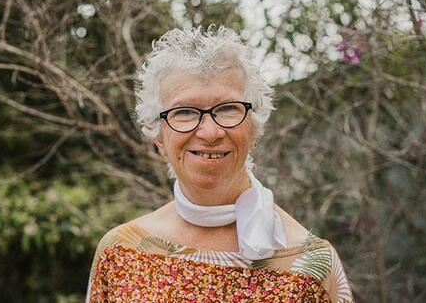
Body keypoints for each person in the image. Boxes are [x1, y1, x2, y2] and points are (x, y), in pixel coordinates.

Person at [86, 26, 354, 302]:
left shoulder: (311, 265)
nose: (210, 133)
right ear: (158, 136)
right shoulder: (122, 253)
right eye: (185, 112)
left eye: (227, 109)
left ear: (254, 128)